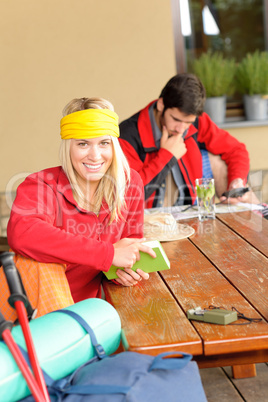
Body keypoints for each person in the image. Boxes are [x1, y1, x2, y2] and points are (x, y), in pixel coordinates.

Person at [7, 97, 156, 304]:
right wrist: (108, 254)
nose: (95, 156)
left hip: (89, 310)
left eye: (104, 143)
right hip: (32, 313)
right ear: (69, 147)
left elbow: (130, 246)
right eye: (83, 144)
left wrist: (126, 272)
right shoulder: (42, 185)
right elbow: (23, 232)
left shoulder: (130, 183)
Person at [119, 73, 259, 208]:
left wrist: (237, 181)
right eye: (176, 119)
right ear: (161, 105)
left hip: (190, 208)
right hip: (149, 217)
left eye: (188, 122)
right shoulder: (127, 136)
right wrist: (167, 156)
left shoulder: (197, 121)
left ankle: (255, 219)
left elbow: (235, 149)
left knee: (227, 168)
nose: (181, 129)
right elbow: (131, 196)